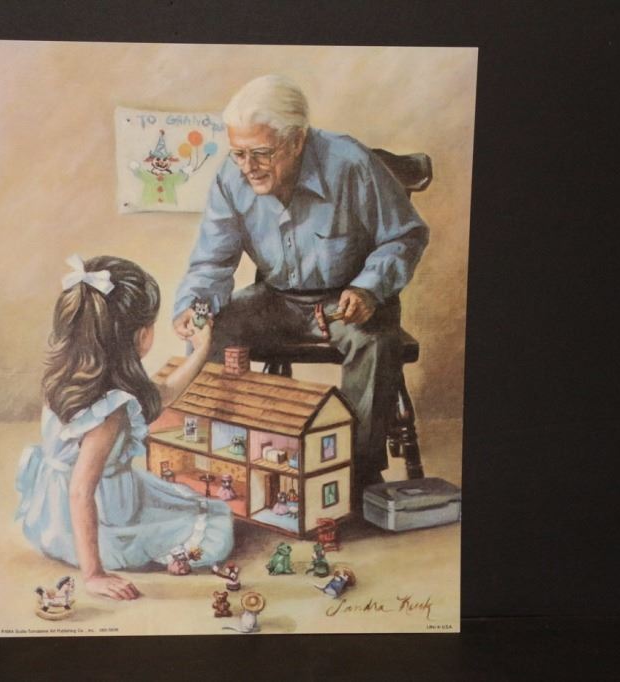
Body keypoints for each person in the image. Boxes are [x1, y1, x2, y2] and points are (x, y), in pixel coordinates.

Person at [173, 75, 429, 497]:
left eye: (261, 153)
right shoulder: (230, 179)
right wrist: (195, 307)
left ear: (296, 141)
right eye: (239, 153)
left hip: (348, 299)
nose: (247, 167)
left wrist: (368, 288)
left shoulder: (350, 162)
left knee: (375, 341)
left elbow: (406, 235)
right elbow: (213, 261)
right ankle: (219, 458)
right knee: (212, 331)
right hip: (276, 299)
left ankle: (355, 473)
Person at [16, 254, 233, 600]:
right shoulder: (110, 412)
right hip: (94, 521)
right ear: (141, 336)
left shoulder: (65, 378)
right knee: (216, 526)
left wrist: (200, 349)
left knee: (183, 501)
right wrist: (94, 575)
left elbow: (164, 394)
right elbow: (80, 492)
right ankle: (102, 559)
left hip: (51, 516)